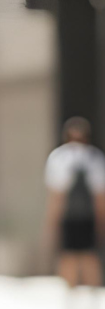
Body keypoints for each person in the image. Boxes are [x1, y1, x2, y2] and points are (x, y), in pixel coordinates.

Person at [44, 116, 105, 288]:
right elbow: (100, 198)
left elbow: (56, 197)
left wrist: (52, 225)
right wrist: (101, 224)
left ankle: (70, 302)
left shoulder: (59, 157)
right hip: (88, 217)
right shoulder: (95, 157)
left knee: (68, 259)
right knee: (90, 259)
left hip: (69, 217)